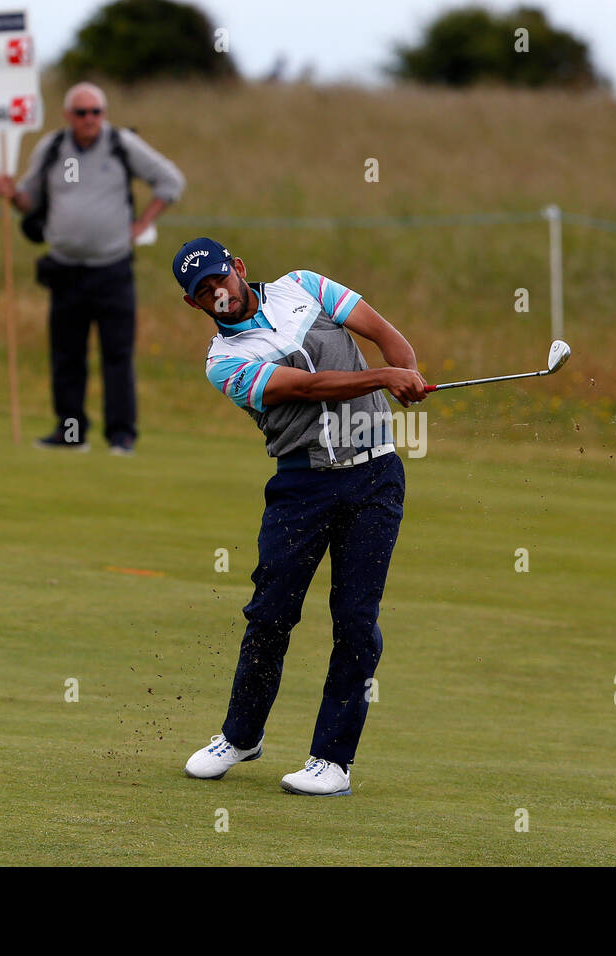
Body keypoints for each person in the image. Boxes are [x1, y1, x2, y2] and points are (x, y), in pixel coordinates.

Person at [174, 238, 428, 796]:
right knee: (270, 614)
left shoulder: (304, 286)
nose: (218, 293)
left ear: (238, 269)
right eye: (203, 292)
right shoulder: (225, 362)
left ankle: (332, 762)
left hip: (374, 476)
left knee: (356, 621)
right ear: (195, 305)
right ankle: (241, 737)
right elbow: (310, 389)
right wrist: (386, 379)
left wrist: (405, 370)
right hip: (301, 485)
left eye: (221, 279)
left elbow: (384, 334)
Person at [0, 82, 186, 455]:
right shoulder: (52, 148)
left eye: (96, 112)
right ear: (68, 116)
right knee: (66, 356)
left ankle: (121, 436)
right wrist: (11, 195)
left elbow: (170, 181)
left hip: (111, 269)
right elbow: (29, 199)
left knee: (117, 354)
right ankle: (70, 434)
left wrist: (143, 223)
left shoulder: (120, 145)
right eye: (81, 113)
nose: (90, 119)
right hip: (65, 270)